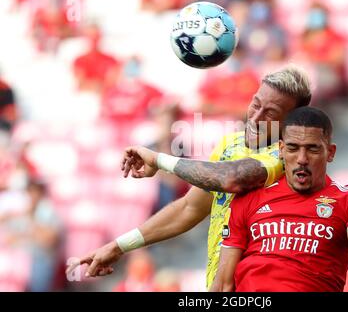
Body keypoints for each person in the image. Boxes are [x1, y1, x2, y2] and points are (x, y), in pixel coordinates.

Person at [66, 66, 312, 290]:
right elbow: (188, 208)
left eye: (270, 113)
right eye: (255, 104)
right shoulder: (232, 143)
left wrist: (160, 160)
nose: (256, 118)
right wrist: (118, 246)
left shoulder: (287, 155)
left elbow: (231, 178)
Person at [210, 107, 348, 292]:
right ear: (281, 149)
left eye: (312, 149)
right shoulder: (250, 197)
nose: (302, 158)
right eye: (293, 148)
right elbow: (223, 285)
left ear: (331, 152)